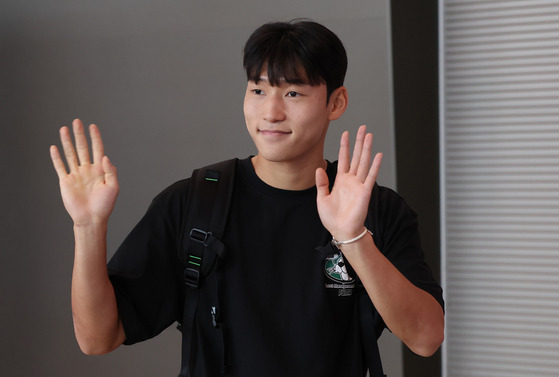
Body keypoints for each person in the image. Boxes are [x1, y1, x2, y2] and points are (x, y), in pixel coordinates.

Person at [50, 20, 444, 377]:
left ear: (336, 102)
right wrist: (88, 227)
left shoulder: (379, 209)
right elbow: (97, 338)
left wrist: (354, 239)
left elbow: (426, 339)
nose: (270, 112)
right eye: (258, 89)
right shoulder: (194, 202)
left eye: (292, 92)